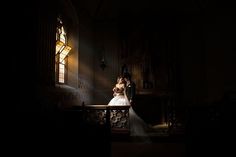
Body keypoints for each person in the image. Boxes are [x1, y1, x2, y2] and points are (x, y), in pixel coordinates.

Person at [108, 76, 151, 143]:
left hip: (122, 98)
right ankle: (116, 124)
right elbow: (114, 93)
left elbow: (124, 93)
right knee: (113, 111)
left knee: (125, 112)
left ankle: (124, 124)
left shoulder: (123, 85)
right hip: (116, 98)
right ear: (118, 79)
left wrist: (127, 100)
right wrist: (114, 93)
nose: (121, 80)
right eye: (121, 79)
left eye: (122, 79)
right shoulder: (116, 85)